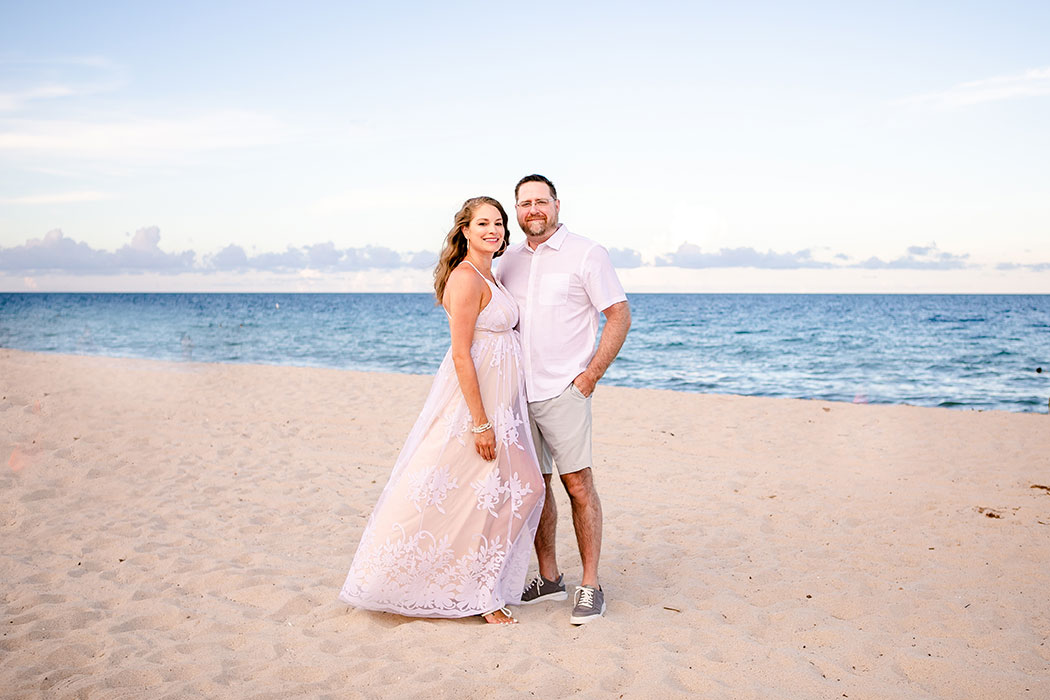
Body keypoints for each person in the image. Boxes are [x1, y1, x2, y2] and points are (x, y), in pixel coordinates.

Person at [338, 196, 544, 625]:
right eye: (483, 223)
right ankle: (480, 594)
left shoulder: (494, 275)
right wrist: (481, 422)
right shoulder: (466, 279)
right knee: (472, 496)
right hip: (476, 411)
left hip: (503, 411)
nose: (494, 229)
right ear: (465, 230)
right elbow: (461, 355)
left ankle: (478, 585)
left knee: (510, 493)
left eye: (499, 223)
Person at [495, 174, 631, 625]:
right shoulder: (507, 260)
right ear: (517, 210)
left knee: (578, 486)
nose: (533, 209)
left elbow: (619, 315)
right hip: (517, 393)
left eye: (540, 201)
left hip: (564, 392)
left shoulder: (587, 254)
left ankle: (590, 585)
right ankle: (549, 578)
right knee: (537, 491)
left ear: (556, 204)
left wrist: (589, 377)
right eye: (524, 203)